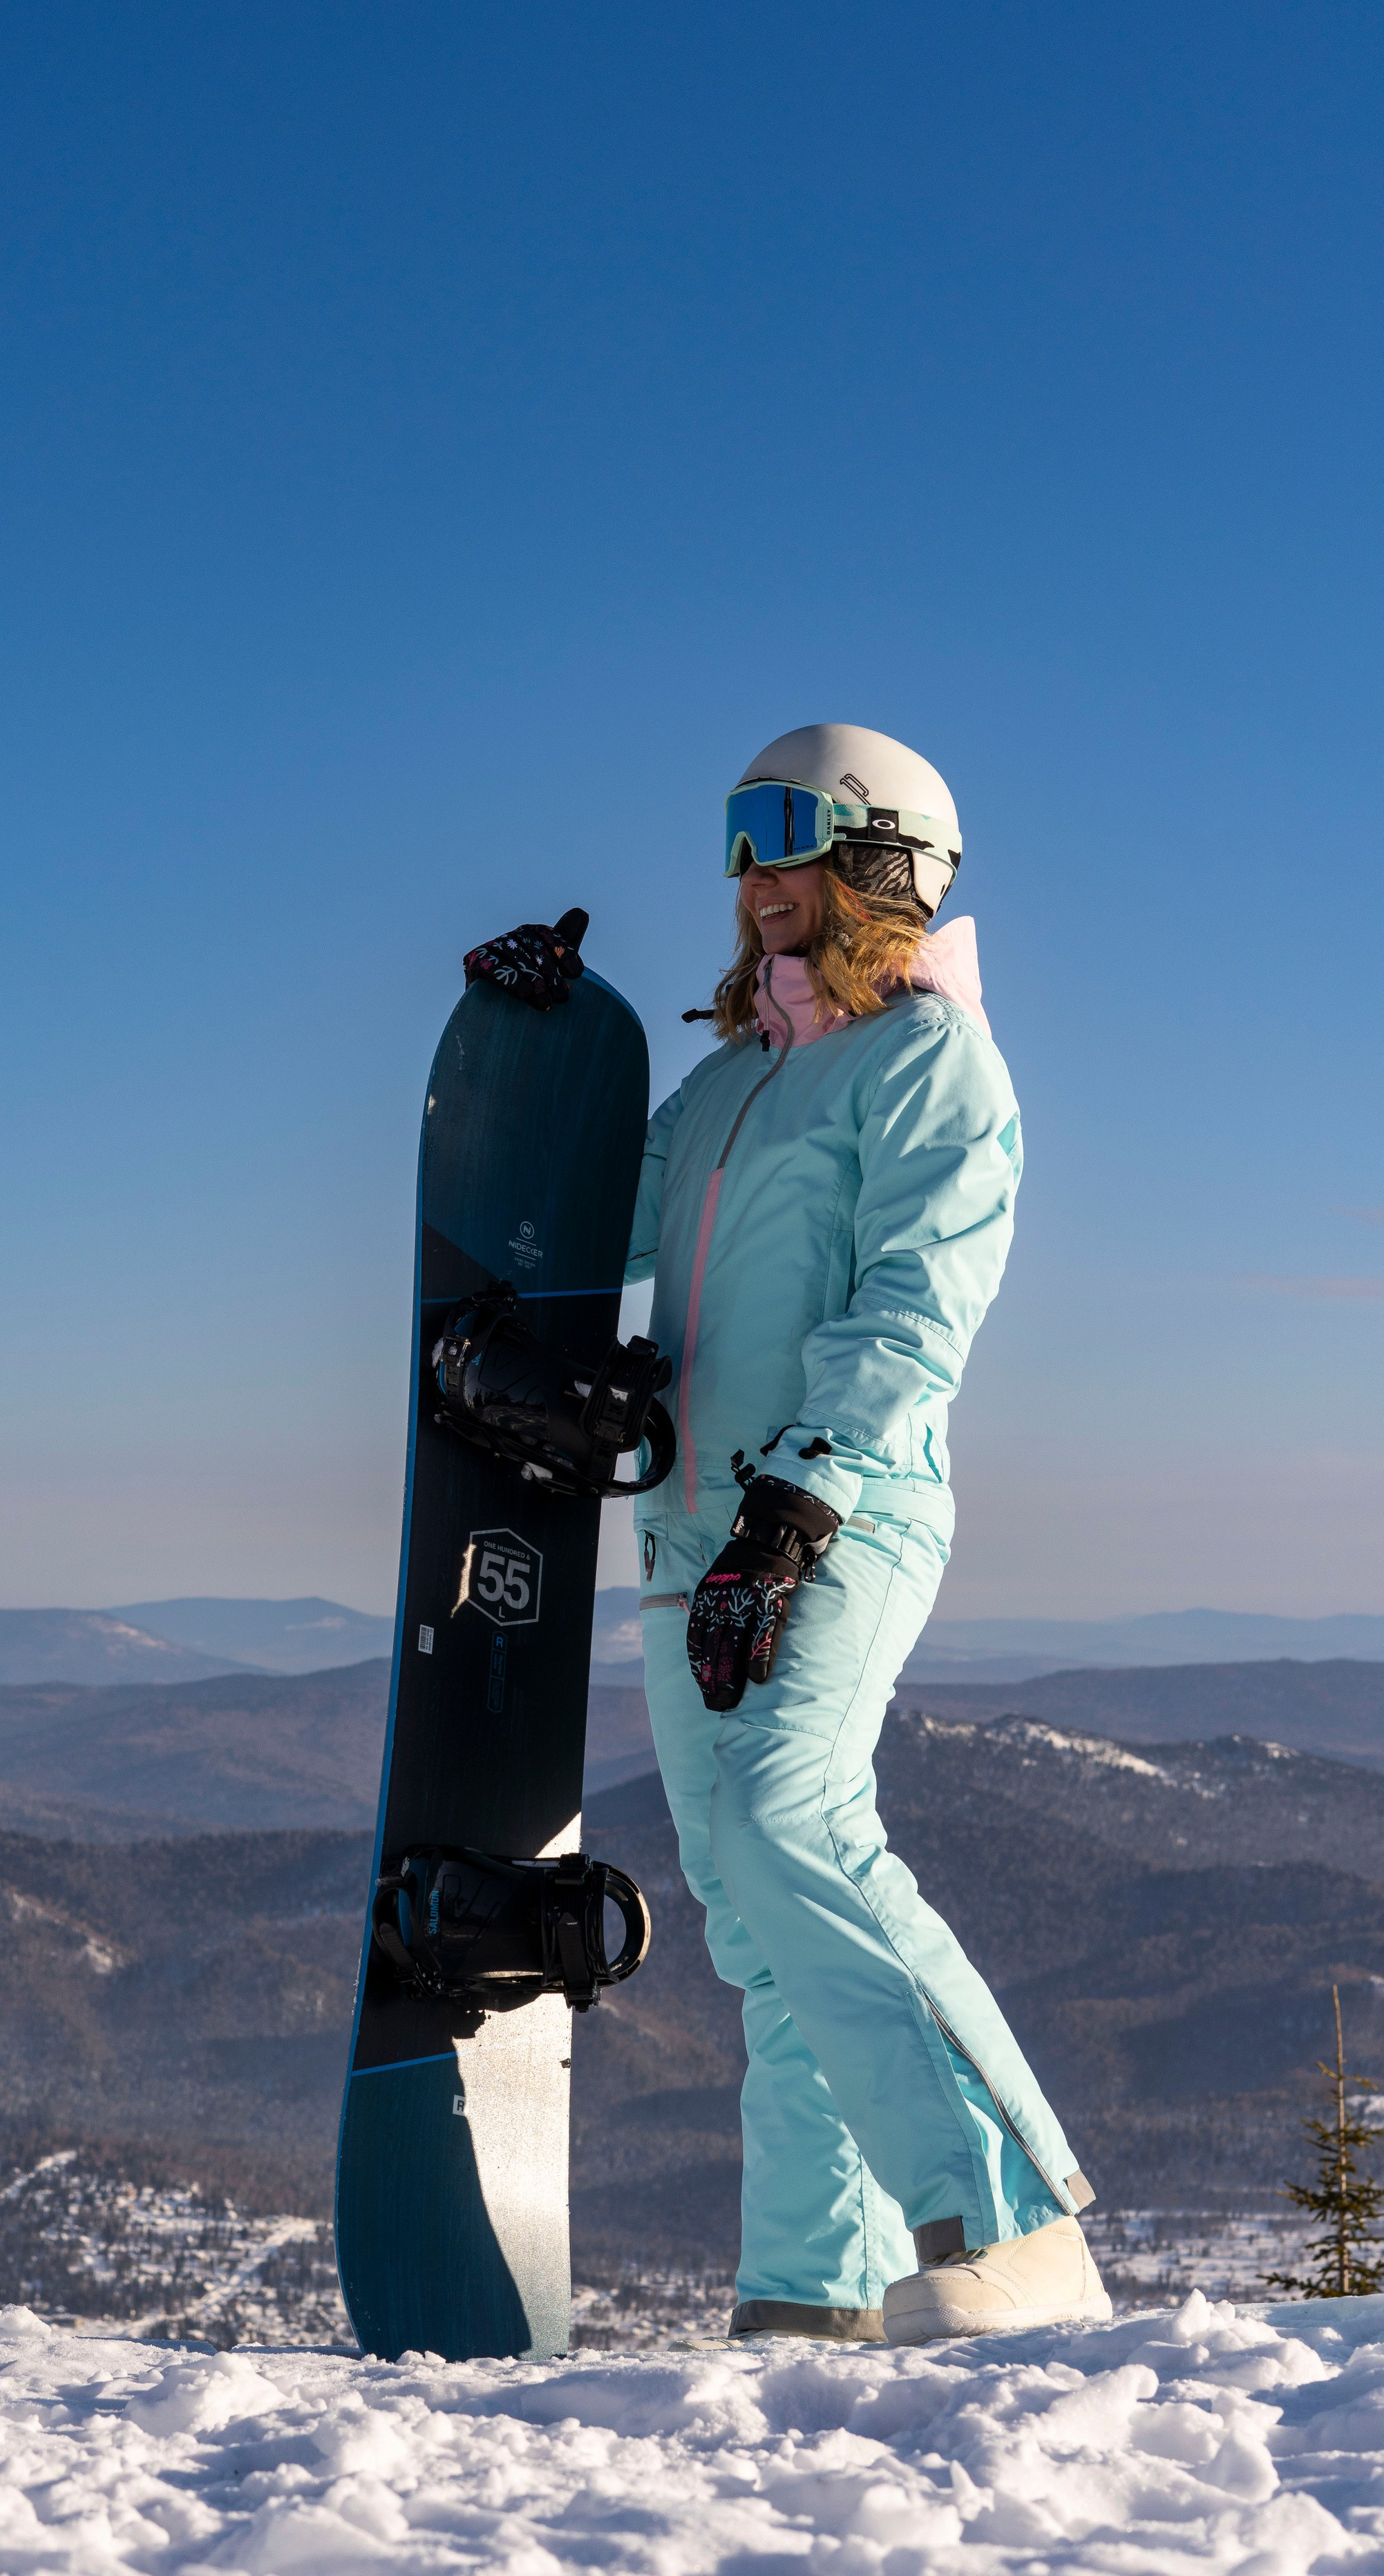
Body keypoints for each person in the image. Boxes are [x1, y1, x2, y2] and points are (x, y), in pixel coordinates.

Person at [466, 723, 1108, 2348]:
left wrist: (798, 1504)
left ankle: (1013, 2226)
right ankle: (806, 2297)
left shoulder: (928, 1061)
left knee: (789, 1824)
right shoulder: (729, 1078)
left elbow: (918, 1300)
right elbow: (597, 1229)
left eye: (790, 833)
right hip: (691, 1530)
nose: (755, 872)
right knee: (753, 1924)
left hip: (837, 1511)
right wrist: (527, 1052)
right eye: (738, 838)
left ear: (885, 861)